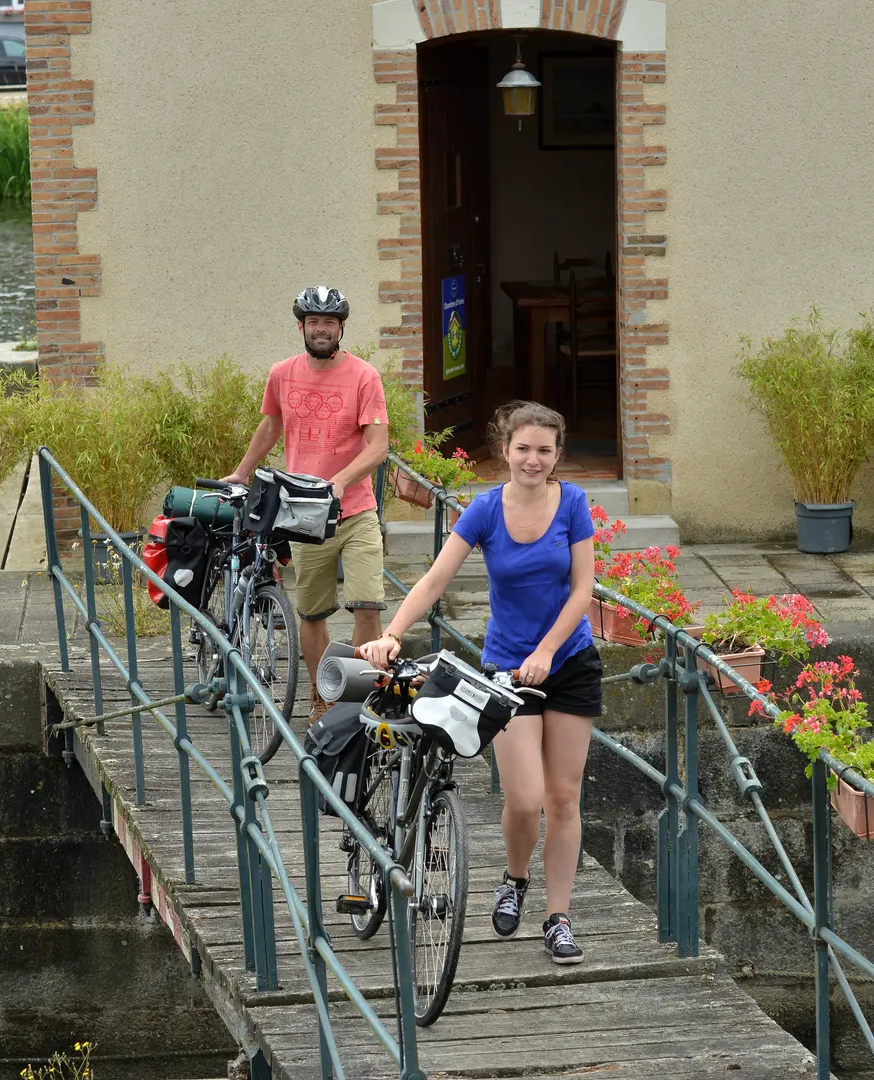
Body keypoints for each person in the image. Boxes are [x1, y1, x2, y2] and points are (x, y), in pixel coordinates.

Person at [358, 401, 600, 965]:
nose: (533, 460)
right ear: (505, 451)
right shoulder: (486, 510)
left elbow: (583, 590)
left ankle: (558, 918)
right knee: (525, 799)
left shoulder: (574, 504)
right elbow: (436, 578)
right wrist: (392, 633)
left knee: (564, 799)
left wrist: (548, 651)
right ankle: (514, 878)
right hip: (507, 671)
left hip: (568, 664)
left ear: (557, 455)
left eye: (545, 450)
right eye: (523, 449)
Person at [223, 286, 389, 711]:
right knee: (312, 614)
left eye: (329, 323)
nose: (321, 329)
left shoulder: (364, 376)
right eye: (313, 322)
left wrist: (339, 481)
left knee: (367, 606)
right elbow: (270, 426)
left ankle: (358, 699)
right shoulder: (282, 373)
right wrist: (242, 472)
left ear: (341, 329)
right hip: (304, 516)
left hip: (355, 512)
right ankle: (323, 699)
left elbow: (377, 447)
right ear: (301, 326)